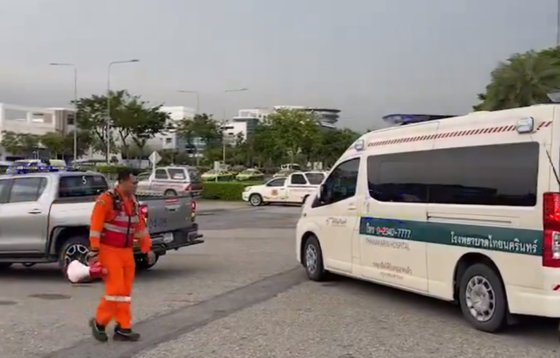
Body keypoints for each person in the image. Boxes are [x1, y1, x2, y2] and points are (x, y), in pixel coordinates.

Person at [87, 169, 155, 342]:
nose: (136, 186)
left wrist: (147, 248)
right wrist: (95, 250)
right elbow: (96, 225)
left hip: (126, 252)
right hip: (108, 251)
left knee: (124, 292)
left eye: (137, 183)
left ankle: (124, 328)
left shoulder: (132, 202)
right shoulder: (106, 200)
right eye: (133, 183)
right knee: (115, 290)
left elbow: (139, 228)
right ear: (122, 182)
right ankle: (100, 323)